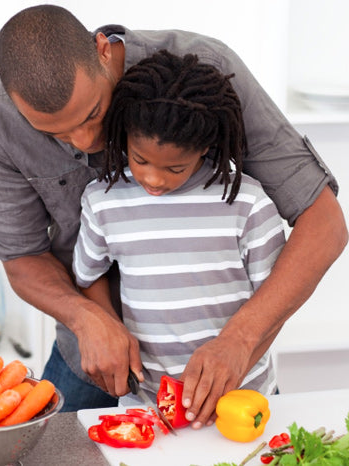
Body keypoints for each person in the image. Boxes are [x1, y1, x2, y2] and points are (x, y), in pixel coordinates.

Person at [0, 4, 348, 427]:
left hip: (225, 370)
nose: (86, 139)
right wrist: (87, 318)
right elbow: (21, 257)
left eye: (94, 113)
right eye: (55, 133)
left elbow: (325, 224)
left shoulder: (206, 71)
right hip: (88, 356)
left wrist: (239, 342)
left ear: (101, 50)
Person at [72, 50, 286, 403]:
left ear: (204, 147)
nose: (153, 179)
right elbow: (88, 276)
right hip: (146, 402)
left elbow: (275, 302)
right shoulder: (104, 201)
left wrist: (236, 356)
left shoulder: (246, 203)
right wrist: (110, 328)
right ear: (123, 134)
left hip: (241, 397)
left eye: (175, 168)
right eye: (140, 160)